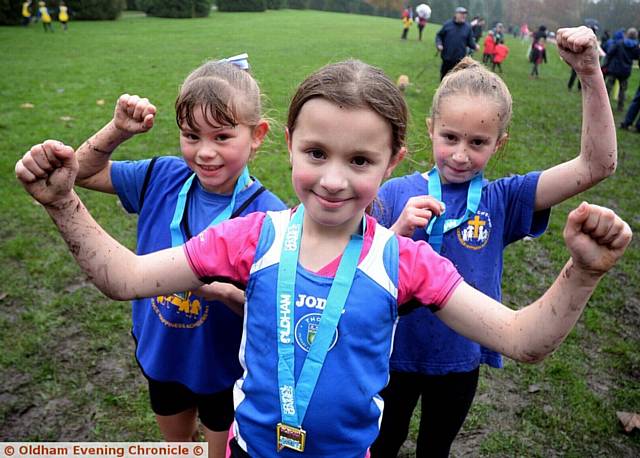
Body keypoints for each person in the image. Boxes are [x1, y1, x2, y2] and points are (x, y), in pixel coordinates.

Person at [15, 58, 631, 458]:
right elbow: (125, 278)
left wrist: (581, 272)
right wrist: (63, 203)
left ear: (393, 163)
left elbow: (523, 338)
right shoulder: (250, 237)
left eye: (360, 161)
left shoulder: (405, 261)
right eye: (315, 153)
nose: (333, 180)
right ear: (287, 147)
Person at [370, 26, 618, 458]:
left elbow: (597, 164)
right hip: (389, 356)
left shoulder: (503, 199)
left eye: (478, 142)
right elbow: (353, 267)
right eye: (450, 137)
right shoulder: (391, 193)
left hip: (458, 361)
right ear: (430, 129)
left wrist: (590, 72)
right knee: (380, 445)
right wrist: (393, 235)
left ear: (498, 144)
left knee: (435, 449)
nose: (461, 154)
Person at [71, 59, 286, 457]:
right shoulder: (160, 177)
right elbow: (78, 174)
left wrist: (230, 297)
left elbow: (277, 314)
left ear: (257, 136)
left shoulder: (271, 219)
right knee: (177, 447)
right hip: (162, 351)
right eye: (191, 135)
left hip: (223, 369)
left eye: (222, 137)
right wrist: (117, 130)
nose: (205, 153)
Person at [435, 6, 478, 80]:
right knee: (444, 78)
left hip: (459, 60)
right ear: (456, 14)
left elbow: (470, 42)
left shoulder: (468, 27)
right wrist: (439, 44)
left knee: (456, 80)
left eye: (465, 14)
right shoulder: (447, 24)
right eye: (461, 13)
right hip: (447, 57)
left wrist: (475, 46)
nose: (463, 15)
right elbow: (439, 35)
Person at [604, 27, 640, 112]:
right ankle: (620, 107)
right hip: (625, 71)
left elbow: (610, 53)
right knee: (623, 90)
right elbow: (637, 57)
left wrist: (606, 64)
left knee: (608, 87)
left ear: (627, 34)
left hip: (614, 69)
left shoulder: (620, 43)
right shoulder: (636, 47)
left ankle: (604, 104)